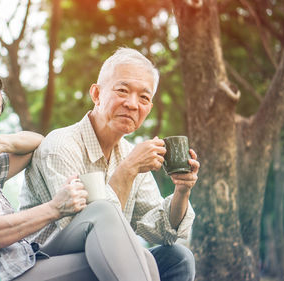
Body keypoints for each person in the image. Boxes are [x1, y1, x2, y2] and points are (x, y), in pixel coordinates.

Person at [0, 71, 161, 281]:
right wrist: (54, 208)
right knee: (120, 259)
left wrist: (3, 142)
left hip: (23, 263)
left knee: (106, 215)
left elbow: (38, 143)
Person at [20, 48, 200, 281]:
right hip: (45, 261)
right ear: (96, 94)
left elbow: (161, 232)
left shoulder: (128, 152)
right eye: (122, 91)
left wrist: (182, 191)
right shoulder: (62, 144)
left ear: (149, 108)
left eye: (144, 97)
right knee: (104, 216)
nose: (133, 104)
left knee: (178, 257)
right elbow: (84, 230)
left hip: (105, 259)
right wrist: (128, 169)